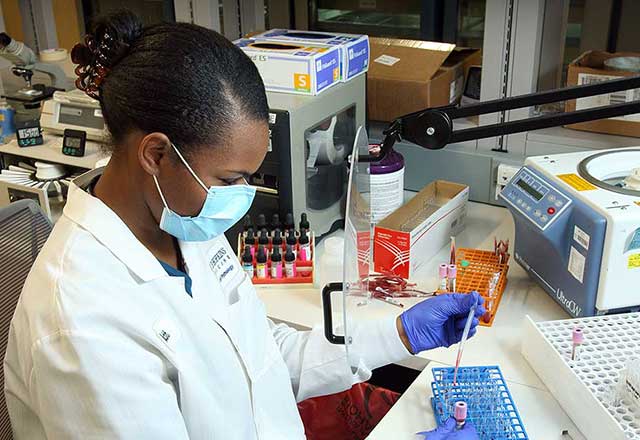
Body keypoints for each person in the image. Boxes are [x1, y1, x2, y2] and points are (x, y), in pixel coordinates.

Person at [3, 11, 484, 440]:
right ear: (156, 154)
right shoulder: (83, 328)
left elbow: (258, 356)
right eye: (230, 178)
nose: (243, 195)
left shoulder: (184, 223)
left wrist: (397, 334)